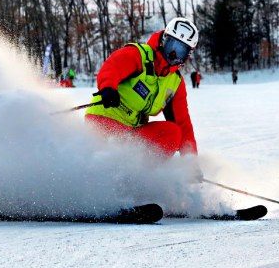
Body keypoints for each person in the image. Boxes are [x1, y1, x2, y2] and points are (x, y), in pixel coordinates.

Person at [85, 17, 202, 181]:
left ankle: (138, 182)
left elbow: (183, 125)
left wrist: (191, 165)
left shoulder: (175, 83)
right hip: (106, 121)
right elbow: (112, 67)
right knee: (110, 154)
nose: (173, 55)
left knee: (173, 133)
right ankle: (107, 184)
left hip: (130, 134)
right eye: (171, 47)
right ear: (163, 40)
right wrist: (108, 88)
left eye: (180, 52)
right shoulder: (140, 54)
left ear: (187, 55)